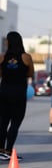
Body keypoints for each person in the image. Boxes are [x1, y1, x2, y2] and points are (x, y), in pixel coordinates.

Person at [0, 31, 34, 160]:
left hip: (4, 92)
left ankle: (1, 150)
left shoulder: (2, 57)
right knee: (15, 122)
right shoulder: (26, 57)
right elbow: (30, 73)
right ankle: (8, 151)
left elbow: (1, 74)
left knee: (2, 122)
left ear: (9, 42)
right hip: (19, 93)